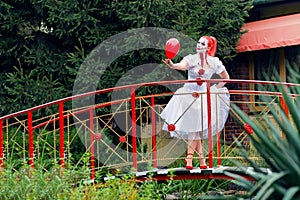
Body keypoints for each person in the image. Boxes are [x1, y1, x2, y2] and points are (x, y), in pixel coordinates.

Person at [160, 36, 230, 169]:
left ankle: (198, 158)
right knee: (194, 127)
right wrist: (173, 65)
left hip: (203, 97)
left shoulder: (214, 62)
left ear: (209, 47)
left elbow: (226, 78)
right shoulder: (191, 58)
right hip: (188, 95)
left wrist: (214, 89)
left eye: (202, 43)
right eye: (198, 42)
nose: (198, 45)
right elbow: (182, 66)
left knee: (195, 128)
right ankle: (193, 159)